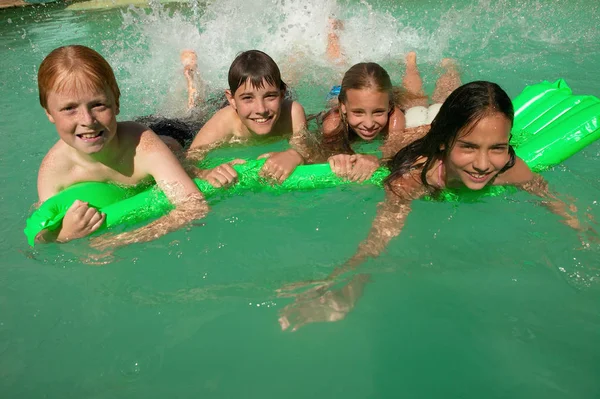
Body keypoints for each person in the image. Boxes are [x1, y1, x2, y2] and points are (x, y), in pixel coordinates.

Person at [278, 80, 587, 331]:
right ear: (445, 143)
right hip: (411, 139)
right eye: (468, 147)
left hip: (439, 130)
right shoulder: (415, 177)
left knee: (440, 100)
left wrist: (585, 234)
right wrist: (343, 282)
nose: (482, 164)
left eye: (497, 147)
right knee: (422, 104)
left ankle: (447, 74)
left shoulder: (507, 167)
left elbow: (545, 193)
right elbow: (379, 240)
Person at [35, 45, 207, 248]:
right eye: (69, 108)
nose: (87, 120)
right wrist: (65, 234)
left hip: (170, 133)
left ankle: (190, 76)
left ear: (116, 102)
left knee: (194, 113)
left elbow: (194, 206)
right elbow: (41, 231)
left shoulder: (143, 146)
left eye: (98, 104)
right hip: (112, 130)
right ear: (48, 112)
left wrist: (124, 238)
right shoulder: (53, 170)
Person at [187, 50, 308, 187]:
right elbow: (187, 163)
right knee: (196, 111)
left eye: (270, 96)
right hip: (213, 108)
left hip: (244, 105)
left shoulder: (292, 113)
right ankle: (192, 81)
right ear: (231, 99)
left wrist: (295, 155)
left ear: (282, 95)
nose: (261, 110)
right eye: (248, 98)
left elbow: (306, 150)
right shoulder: (223, 122)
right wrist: (205, 173)